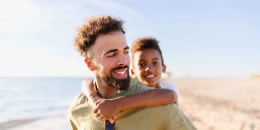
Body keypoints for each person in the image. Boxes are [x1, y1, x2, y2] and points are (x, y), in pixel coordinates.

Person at [68, 15, 196, 130]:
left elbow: (170, 95)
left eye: (125, 52)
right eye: (112, 54)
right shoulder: (77, 109)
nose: (123, 61)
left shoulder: (161, 107)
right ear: (90, 64)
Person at [82, 37, 179, 120]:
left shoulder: (168, 88)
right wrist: (94, 99)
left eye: (155, 63)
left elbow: (170, 95)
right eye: (142, 64)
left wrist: (116, 104)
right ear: (132, 71)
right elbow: (86, 82)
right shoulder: (129, 88)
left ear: (163, 68)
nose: (149, 68)